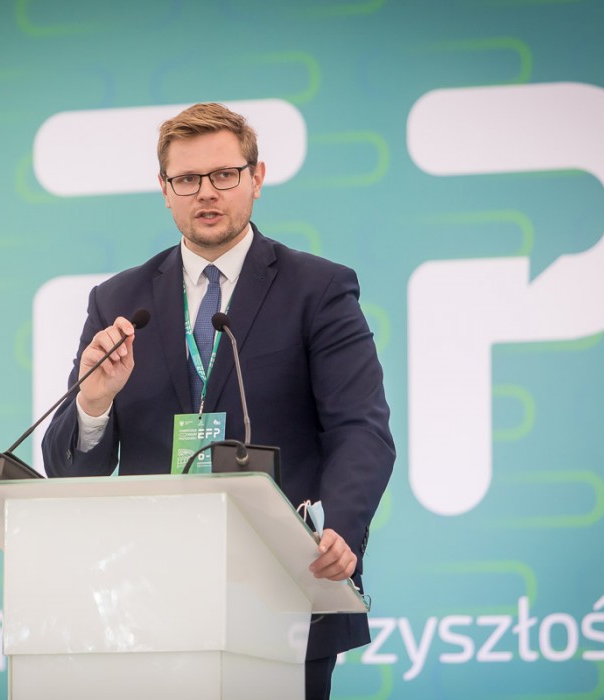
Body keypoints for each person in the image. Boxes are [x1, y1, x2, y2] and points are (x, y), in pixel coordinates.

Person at [41, 102, 394, 699]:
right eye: (186, 179)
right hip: (149, 603)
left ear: (256, 178)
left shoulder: (318, 289)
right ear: (164, 190)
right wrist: (94, 405)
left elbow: (361, 429)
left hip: (284, 587)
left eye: (224, 174)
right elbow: (69, 470)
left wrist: (338, 527)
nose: (206, 192)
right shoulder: (119, 301)